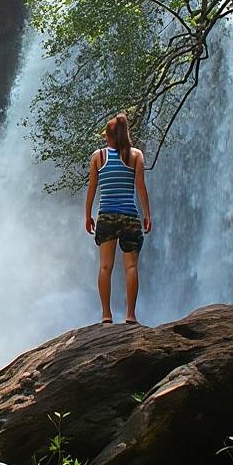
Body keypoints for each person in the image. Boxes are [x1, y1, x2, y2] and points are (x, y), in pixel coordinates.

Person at [84, 113, 152, 324]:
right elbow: (140, 187)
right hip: (130, 216)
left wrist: (88, 215)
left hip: (107, 216)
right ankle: (130, 315)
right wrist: (147, 214)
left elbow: (92, 188)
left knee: (105, 266)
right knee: (131, 267)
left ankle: (106, 315)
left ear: (110, 136)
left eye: (107, 133)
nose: (104, 136)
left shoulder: (99, 157)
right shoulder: (136, 156)